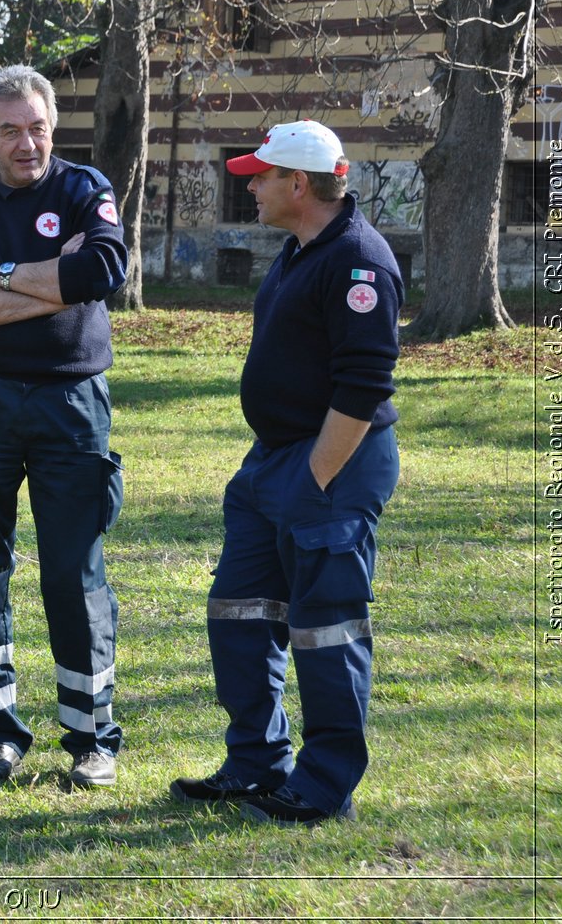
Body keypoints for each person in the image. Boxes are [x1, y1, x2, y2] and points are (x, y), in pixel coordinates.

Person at [170, 120, 401, 826]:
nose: (251, 184)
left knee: (326, 628)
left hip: (330, 464)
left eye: (262, 174)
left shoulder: (360, 261)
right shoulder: (301, 251)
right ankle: (255, 764)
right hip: (271, 463)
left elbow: (362, 388)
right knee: (238, 613)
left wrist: (313, 480)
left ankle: (325, 784)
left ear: (298, 184)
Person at [0, 65, 128, 787]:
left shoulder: (83, 190)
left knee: (75, 569)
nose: (27, 142)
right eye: (10, 129)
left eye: (38, 127)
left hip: (70, 401)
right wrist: (47, 276)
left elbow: (102, 268)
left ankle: (91, 735)